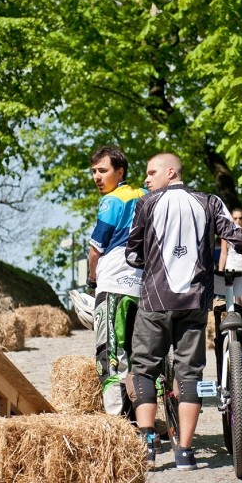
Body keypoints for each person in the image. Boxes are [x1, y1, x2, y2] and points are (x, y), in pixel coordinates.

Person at [124, 153, 242, 470]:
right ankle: (185, 452)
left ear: (171, 172)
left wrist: (148, 262)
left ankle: (147, 444)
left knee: (143, 368)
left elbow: (132, 253)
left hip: (156, 301)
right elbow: (238, 237)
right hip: (195, 302)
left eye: (151, 172)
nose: (146, 178)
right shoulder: (209, 201)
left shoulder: (146, 205)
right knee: (190, 374)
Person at [86, 146, 148, 422]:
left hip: (113, 283)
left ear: (119, 172)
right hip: (144, 284)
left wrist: (91, 278)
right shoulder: (146, 196)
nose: (97, 177)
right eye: (94, 171)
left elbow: (95, 250)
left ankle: (115, 420)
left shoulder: (112, 201)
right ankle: (148, 416)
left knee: (110, 352)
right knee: (142, 355)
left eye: (102, 170)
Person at [213, 207, 242, 382]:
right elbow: (223, 253)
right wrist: (219, 272)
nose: (237, 221)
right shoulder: (226, 235)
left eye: (240, 218)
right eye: (234, 218)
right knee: (227, 305)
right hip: (230, 269)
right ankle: (229, 334)